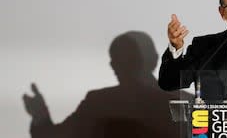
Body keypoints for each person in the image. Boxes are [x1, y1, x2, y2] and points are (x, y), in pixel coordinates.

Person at [23, 31, 191, 138]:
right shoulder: (183, 102)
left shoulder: (100, 102)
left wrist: (40, 115)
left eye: (119, 59)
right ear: (154, 59)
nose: (114, 65)